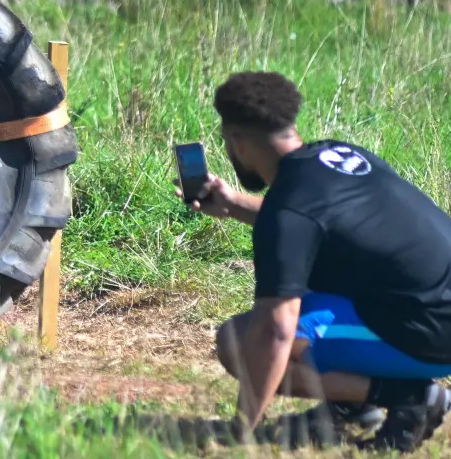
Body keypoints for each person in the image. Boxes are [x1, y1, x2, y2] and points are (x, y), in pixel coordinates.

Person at [183, 70, 451, 451]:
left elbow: (275, 332)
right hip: (433, 304)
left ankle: (409, 397)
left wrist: (240, 433)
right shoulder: (337, 154)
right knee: (317, 277)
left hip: (433, 334)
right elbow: (322, 224)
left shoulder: (288, 213)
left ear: (238, 142)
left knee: (238, 342)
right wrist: (233, 206)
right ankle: (353, 406)